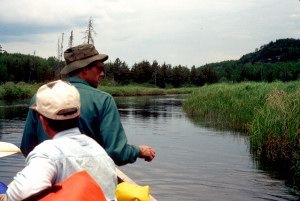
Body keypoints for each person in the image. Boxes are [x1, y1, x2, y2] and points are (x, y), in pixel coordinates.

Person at [21, 44, 155, 166]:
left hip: (49, 184)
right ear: (85, 69)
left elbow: (27, 148)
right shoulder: (104, 100)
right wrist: (138, 150)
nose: (102, 74)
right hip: (88, 185)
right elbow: (116, 153)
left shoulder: (39, 98)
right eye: (99, 68)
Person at [1, 80, 117, 201]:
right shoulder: (101, 152)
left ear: (43, 121)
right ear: (78, 114)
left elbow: (17, 196)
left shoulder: (47, 153)